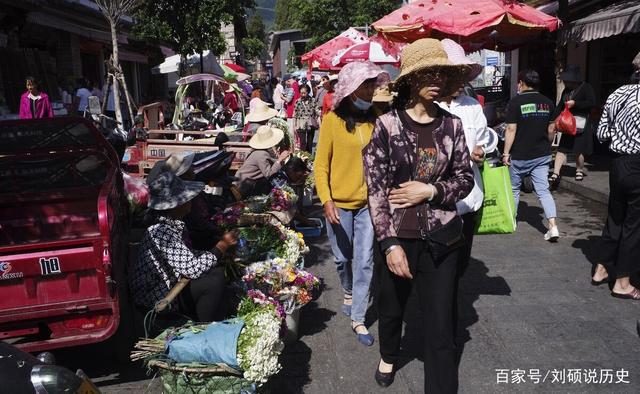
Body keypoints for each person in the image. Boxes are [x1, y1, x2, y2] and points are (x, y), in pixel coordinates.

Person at [362, 38, 474, 391]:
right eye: (428, 72)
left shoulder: (452, 126)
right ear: (410, 78)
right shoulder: (386, 127)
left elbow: (466, 178)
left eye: (441, 73)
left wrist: (432, 190)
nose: (436, 79)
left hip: (443, 238)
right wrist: (390, 244)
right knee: (392, 309)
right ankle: (389, 354)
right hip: (398, 236)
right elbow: (376, 192)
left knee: (441, 326)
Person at [315, 61, 389, 348]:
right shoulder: (332, 122)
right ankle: (347, 288)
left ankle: (358, 317)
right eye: (366, 84)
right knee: (342, 257)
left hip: (367, 205)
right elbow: (320, 167)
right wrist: (326, 200)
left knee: (365, 261)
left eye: (373, 84)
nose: (371, 90)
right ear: (350, 88)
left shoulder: (377, 120)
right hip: (338, 205)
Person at [130, 171, 237, 322]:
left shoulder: (172, 224)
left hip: (171, 283)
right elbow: (193, 269)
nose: (190, 201)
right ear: (175, 205)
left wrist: (217, 252)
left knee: (217, 272)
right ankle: (203, 327)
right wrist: (222, 246)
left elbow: (188, 255)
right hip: (157, 296)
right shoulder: (162, 230)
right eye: (186, 199)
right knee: (213, 283)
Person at [437, 38, 498, 277]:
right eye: (456, 75)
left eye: (464, 75)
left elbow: (485, 137)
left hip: (468, 196)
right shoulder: (426, 107)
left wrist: (481, 149)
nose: (463, 82)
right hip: (437, 198)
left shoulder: (471, 106)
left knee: (461, 262)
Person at [591, 55, 640, 300]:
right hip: (637, 164)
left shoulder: (618, 93)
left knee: (615, 218)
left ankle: (601, 268)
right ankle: (622, 282)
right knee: (634, 226)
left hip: (617, 163)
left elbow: (601, 133)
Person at [502, 69, 559, 241]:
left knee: (514, 189)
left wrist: (505, 153)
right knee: (543, 190)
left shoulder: (516, 102)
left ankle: (511, 221)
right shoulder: (548, 102)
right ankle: (553, 225)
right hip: (541, 154)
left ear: (520, 83)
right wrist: (546, 144)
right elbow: (551, 129)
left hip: (520, 154)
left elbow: (511, 129)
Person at [549, 66, 596, 185]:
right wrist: (552, 120)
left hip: (580, 124)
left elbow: (591, 103)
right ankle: (556, 172)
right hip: (567, 124)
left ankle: (579, 169)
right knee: (562, 148)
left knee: (578, 150)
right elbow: (560, 106)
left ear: (574, 79)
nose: (565, 82)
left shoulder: (586, 88)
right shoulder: (566, 90)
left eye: (567, 80)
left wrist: (575, 104)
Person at [235, 125, 291, 197]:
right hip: (244, 186)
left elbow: (271, 162)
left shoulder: (261, 152)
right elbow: (269, 174)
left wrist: (280, 159)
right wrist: (280, 159)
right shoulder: (261, 154)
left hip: (247, 183)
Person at [293, 85, 319, 152]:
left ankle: (309, 159)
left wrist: (319, 123)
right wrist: (294, 126)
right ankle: (302, 158)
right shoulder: (297, 102)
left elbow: (317, 112)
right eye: (301, 93)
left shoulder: (313, 100)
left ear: (308, 92)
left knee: (310, 143)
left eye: (304, 93)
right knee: (303, 143)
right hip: (300, 124)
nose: (303, 94)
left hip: (311, 124)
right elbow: (295, 115)